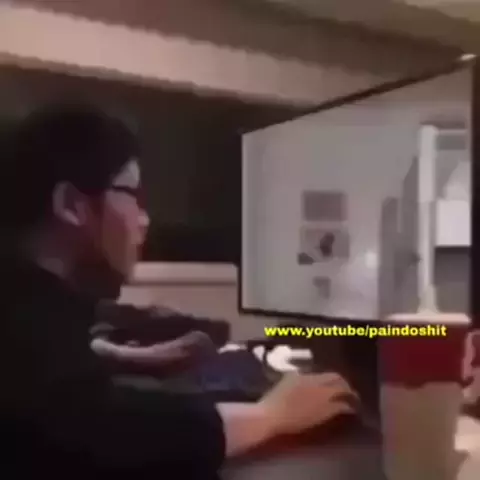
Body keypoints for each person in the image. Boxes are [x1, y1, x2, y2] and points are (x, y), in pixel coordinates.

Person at [0, 104, 357, 477]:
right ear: (71, 205)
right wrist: (272, 414)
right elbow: (100, 430)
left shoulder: (26, 304)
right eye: (133, 195)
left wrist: (124, 356)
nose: (145, 219)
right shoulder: (21, 332)